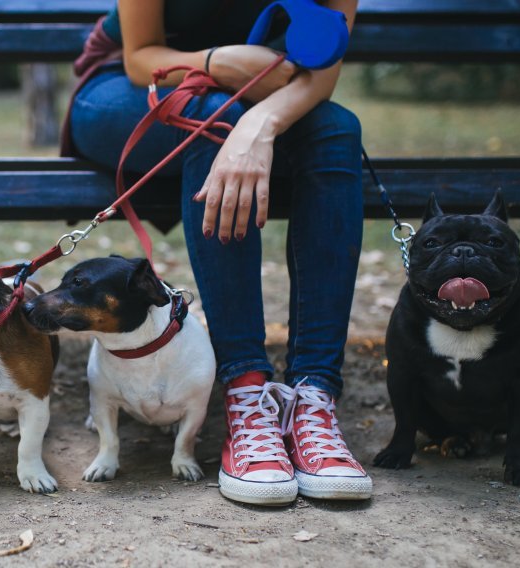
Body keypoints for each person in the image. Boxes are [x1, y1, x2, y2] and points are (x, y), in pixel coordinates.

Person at [66, 0, 371, 505]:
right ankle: (246, 391)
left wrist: (259, 125)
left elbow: (322, 74)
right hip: (130, 89)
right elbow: (139, 56)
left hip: (263, 99)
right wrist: (214, 63)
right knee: (215, 118)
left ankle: (314, 397)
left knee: (338, 130)